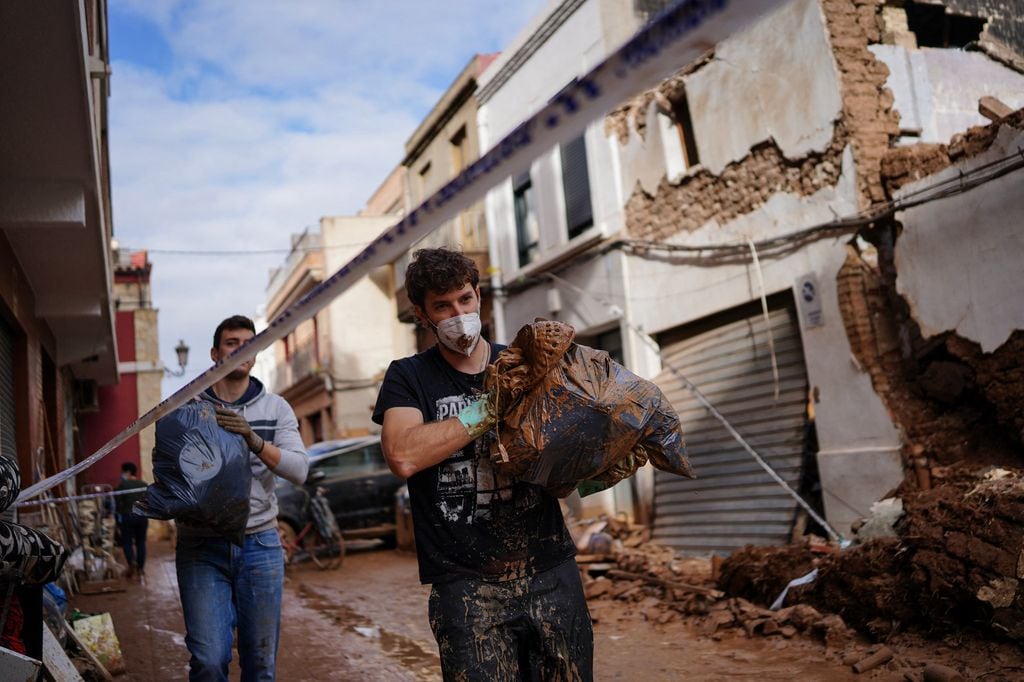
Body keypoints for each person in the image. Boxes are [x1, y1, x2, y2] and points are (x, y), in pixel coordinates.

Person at [373, 248, 593, 681]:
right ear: (422, 314)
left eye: (465, 300)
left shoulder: (527, 364)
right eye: (442, 306)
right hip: (467, 586)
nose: (458, 313)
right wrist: (489, 409)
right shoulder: (408, 377)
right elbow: (402, 455)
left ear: (479, 297)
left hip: (549, 570)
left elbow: (572, 456)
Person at [175, 315, 308, 682]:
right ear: (216, 353)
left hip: (260, 545)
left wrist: (253, 440)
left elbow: (299, 470)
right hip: (200, 546)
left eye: (249, 343)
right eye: (233, 343)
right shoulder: (186, 404)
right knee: (208, 660)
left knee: (261, 667)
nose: (242, 350)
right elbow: (171, 473)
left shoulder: (275, 408)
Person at [114, 462, 149, 578]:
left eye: (123, 472)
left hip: (128, 516)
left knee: (127, 542)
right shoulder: (144, 484)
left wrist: (118, 513)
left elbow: (117, 502)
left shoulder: (123, 485)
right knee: (141, 542)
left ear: (128, 472)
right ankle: (141, 568)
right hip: (142, 516)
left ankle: (131, 564)